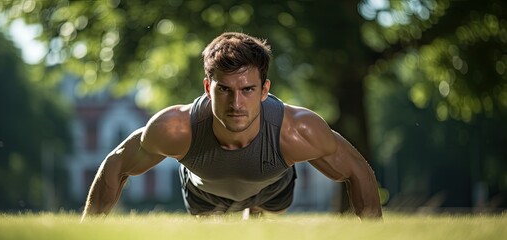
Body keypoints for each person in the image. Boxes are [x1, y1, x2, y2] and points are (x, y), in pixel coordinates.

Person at [81, 32, 382, 220]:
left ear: (265, 90)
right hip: (203, 193)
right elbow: (116, 163)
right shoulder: (175, 128)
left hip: (272, 189)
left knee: (266, 227)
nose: (236, 103)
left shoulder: (296, 130)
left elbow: (358, 171)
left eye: (248, 90)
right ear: (207, 88)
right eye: (224, 89)